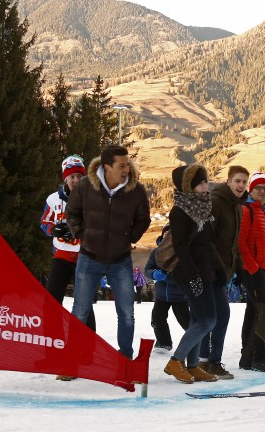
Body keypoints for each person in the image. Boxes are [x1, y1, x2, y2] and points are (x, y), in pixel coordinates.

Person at [66, 145, 151, 359]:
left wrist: (129, 238)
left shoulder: (136, 190)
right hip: (89, 257)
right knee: (79, 311)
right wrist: (81, 235)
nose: (126, 169)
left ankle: (125, 358)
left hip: (120, 260)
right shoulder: (85, 186)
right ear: (107, 167)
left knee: (127, 314)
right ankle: (72, 360)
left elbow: (144, 220)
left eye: (127, 164)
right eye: (121, 165)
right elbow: (72, 213)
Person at [162, 164, 220, 384]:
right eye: (200, 182)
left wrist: (218, 269)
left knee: (198, 319)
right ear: (188, 187)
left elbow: (209, 243)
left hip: (206, 270)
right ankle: (176, 360)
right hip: (190, 273)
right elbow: (181, 247)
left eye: (205, 181)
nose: (206, 185)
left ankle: (193, 365)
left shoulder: (205, 207)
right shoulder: (180, 211)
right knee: (207, 320)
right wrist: (193, 276)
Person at [40, 155, 94, 381]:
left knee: (83, 303)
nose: (75, 180)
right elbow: (44, 222)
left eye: (79, 176)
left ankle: (87, 352)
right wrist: (53, 230)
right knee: (51, 303)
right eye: (71, 176)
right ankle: (52, 351)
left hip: (84, 256)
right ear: (65, 179)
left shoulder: (91, 197)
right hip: (61, 256)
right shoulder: (54, 199)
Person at [195, 165, 250, 380]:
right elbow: (208, 239)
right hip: (210, 269)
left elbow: (232, 243)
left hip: (222, 271)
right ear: (228, 182)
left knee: (211, 316)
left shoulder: (237, 206)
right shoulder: (217, 202)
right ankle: (210, 362)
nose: (241, 185)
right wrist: (215, 266)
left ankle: (203, 360)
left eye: (244, 182)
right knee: (219, 315)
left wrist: (239, 268)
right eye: (237, 181)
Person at [238, 172, 265, 373]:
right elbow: (241, 242)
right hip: (253, 271)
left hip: (263, 270)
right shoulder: (247, 210)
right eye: (258, 188)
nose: (262, 191)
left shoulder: (262, 210)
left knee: (254, 313)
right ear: (250, 189)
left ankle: (247, 358)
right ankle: (258, 357)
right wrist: (253, 268)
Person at [144, 226, 190, 353]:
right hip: (161, 295)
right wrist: (153, 274)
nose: (167, 237)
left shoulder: (182, 252)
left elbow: (186, 273)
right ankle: (164, 344)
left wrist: (169, 277)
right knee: (157, 319)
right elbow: (147, 269)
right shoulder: (155, 252)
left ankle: (199, 342)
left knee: (185, 321)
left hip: (179, 295)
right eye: (165, 235)